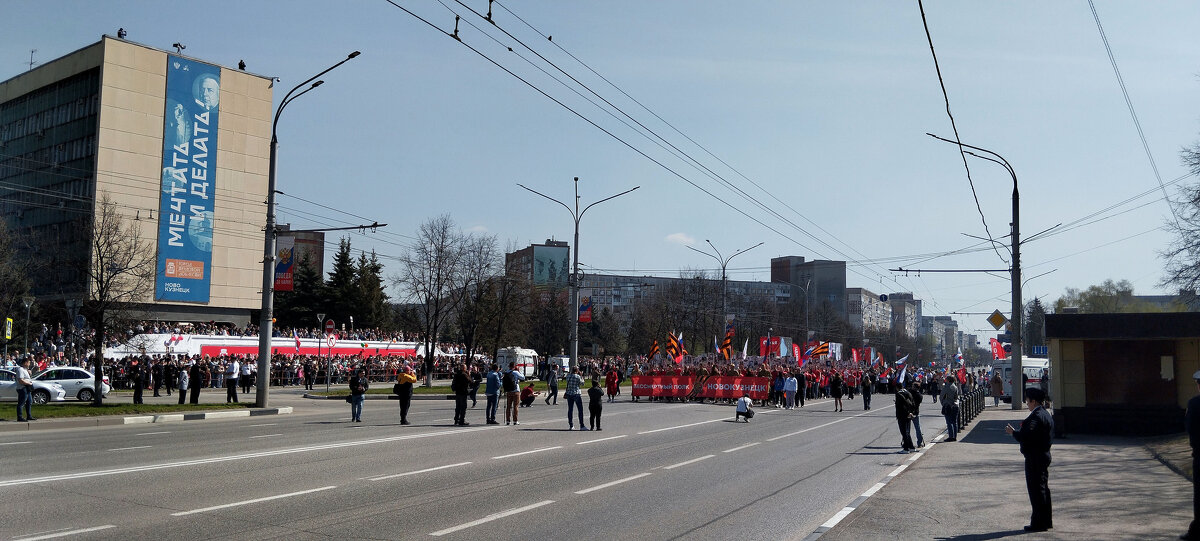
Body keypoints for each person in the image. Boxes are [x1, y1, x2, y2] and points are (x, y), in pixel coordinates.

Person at [1006, 386, 1053, 532]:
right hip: (1041, 455)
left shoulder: (1036, 417)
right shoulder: (1044, 413)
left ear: (1033, 401)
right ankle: (1046, 520)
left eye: (1027, 400)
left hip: (1035, 457)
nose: (1026, 403)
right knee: (1043, 489)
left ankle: (1038, 522)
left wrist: (1014, 433)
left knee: (1036, 490)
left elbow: (1028, 437)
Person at [1183, 370, 1200, 540]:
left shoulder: (1194, 403)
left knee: (1199, 495)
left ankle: (1197, 530)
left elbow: (1189, 428)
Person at [895, 382, 916, 453]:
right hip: (909, 414)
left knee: (904, 432)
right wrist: (911, 412)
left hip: (902, 415)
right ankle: (911, 447)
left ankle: (906, 448)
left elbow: (900, 406)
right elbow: (913, 403)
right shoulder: (908, 393)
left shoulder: (899, 394)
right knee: (907, 432)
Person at [940, 375, 961, 441]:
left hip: (948, 405)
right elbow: (956, 396)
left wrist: (943, 403)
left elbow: (941, 396)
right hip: (955, 405)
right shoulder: (955, 387)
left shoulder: (946, 387)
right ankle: (954, 436)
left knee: (949, 422)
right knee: (954, 422)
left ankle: (951, 436)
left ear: (948, 380)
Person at [15, 357, 35, 422]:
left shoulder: (25, 370)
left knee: (29, 402)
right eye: (29, 362)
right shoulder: (20, 370)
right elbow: (21, 380)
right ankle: (19, 417)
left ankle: (29, 416)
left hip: (27, 388)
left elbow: (26, 378)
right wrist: (29, 383)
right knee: (21, 403)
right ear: (25, 363)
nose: (29, 364)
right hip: (22, 388)